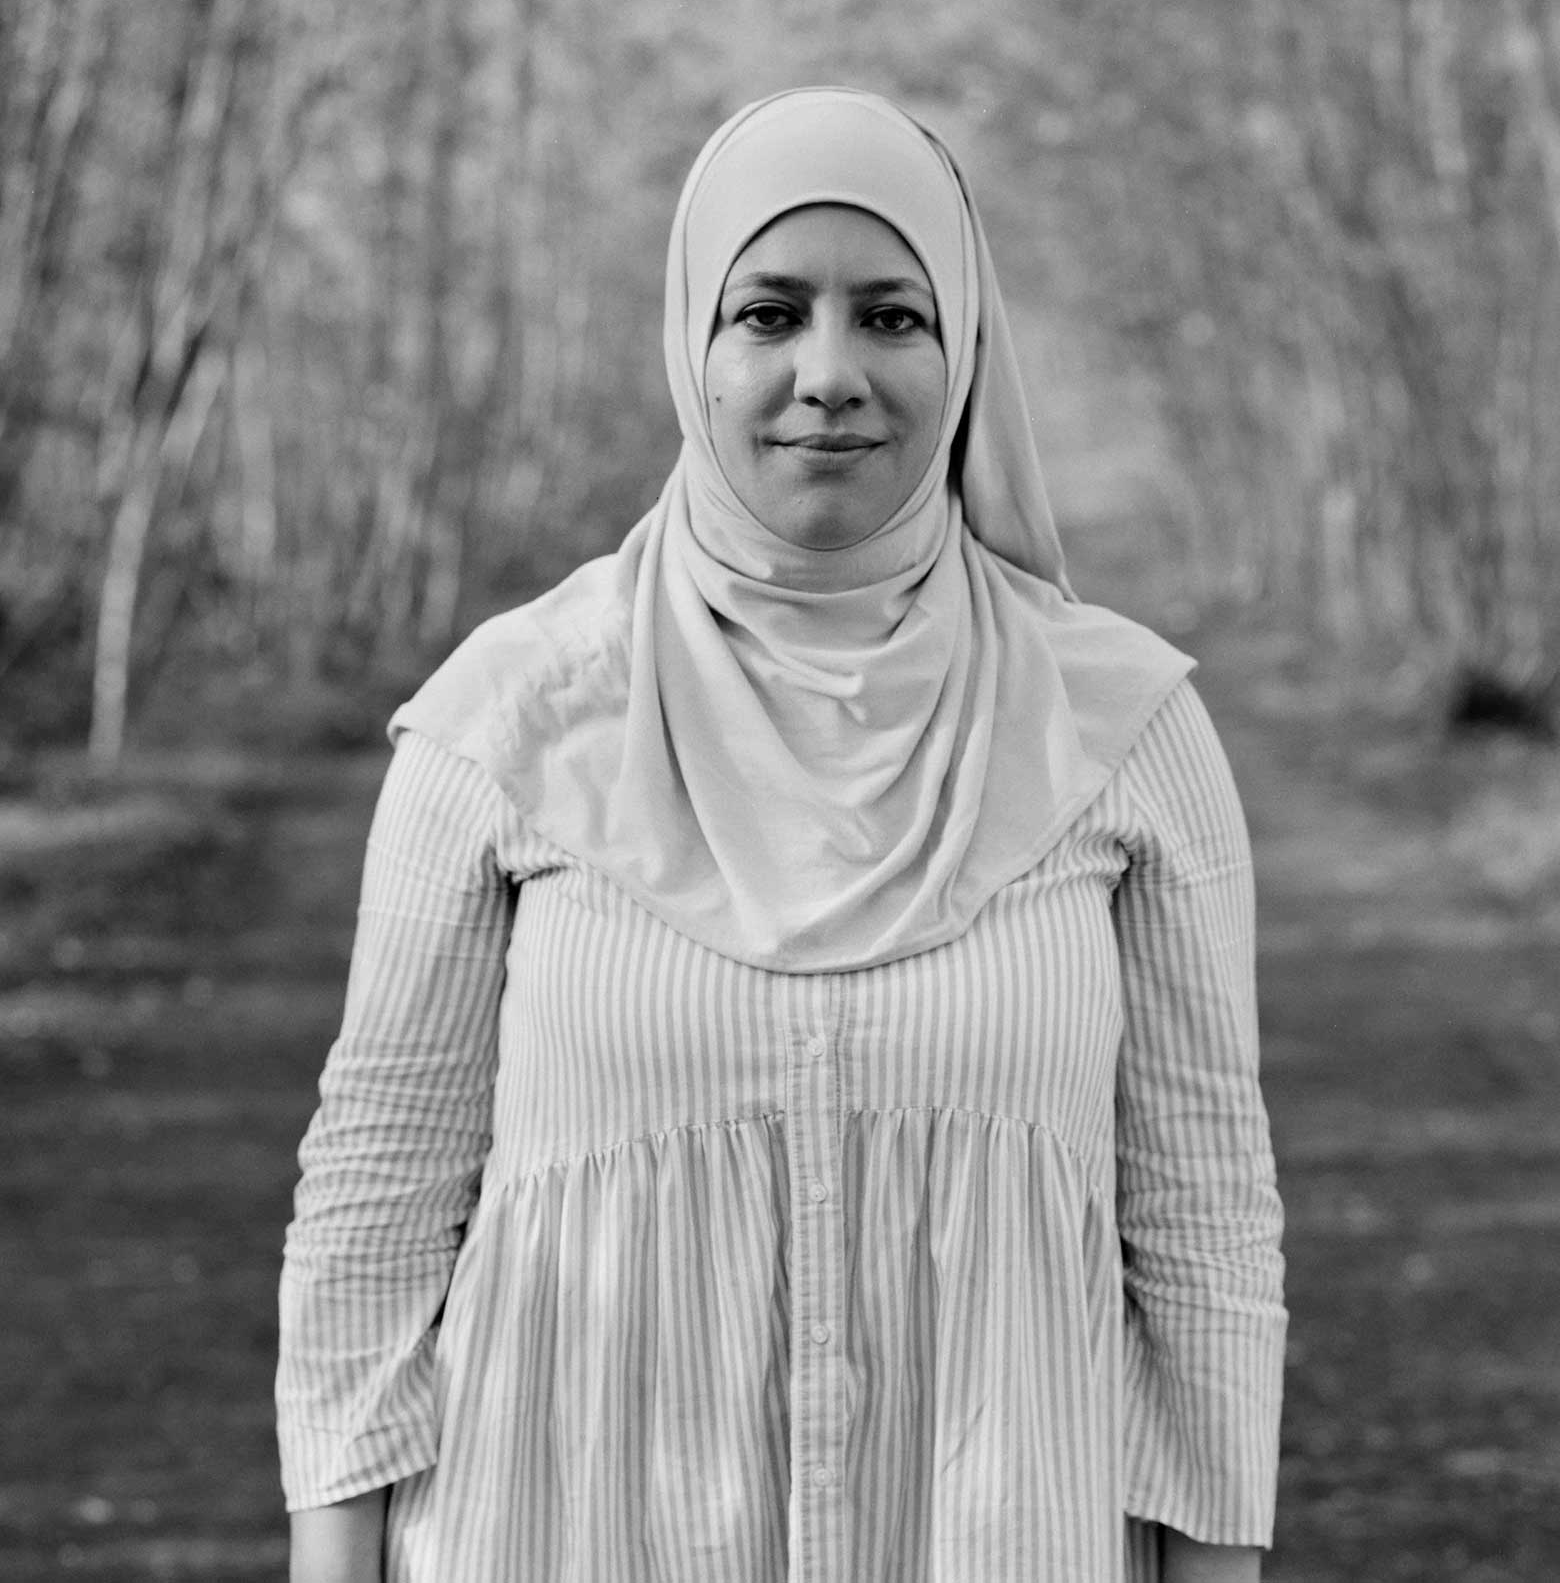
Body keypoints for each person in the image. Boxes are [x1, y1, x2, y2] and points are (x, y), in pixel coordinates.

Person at [278, 87, 1286, 1583]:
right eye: (767, 314)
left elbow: (1203, 1221)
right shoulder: (509, 720)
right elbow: (376, 1198)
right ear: (692, 343)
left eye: (890, 317)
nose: (829, 375)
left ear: (963, 352)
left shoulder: (1119, 726)